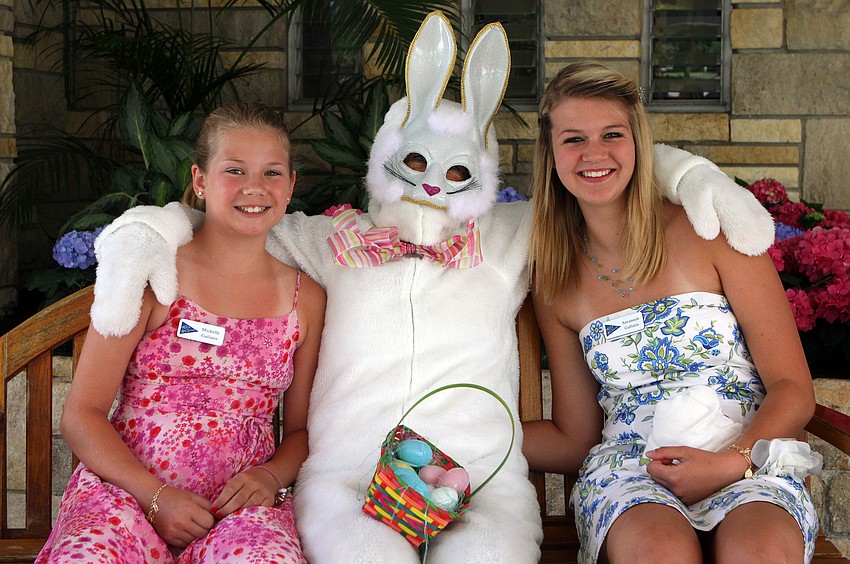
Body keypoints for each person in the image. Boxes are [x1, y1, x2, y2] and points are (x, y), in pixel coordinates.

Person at [523, 61, 819, 563]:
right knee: (658, 552)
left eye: (612, 134)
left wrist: (731, 463)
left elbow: (793, 387)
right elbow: (576, 439)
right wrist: (468, 436)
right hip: (631, 471)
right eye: (573, 139)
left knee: (759, 551)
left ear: (638, 143)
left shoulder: (710, 230)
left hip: (748, 458)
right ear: (551, 155)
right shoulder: (556, 282)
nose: (594, 154)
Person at [36, 101, 326, 563]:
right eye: (235, 170)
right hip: (126, 498)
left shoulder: (304, 299)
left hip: (237, 512)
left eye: (271, 173)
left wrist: (271, 477)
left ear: (290, 186)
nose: (254, 187)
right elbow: (81, 414)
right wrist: (155, 497)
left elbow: (300, 431)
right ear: (200, 179)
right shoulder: (152, 271)